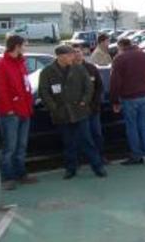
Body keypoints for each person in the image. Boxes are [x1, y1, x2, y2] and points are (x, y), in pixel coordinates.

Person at [39, 45, 106, 179]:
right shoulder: (47, 72)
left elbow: (89, 86)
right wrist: (54, 108)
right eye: (70, 55)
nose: (73, 57)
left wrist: (84, 101)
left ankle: (98, 167)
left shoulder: (79, 68)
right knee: (69, 143)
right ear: (61, 56)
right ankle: (71, 169)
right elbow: (44, 92)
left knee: (87, 141)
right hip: (62, 114)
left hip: (80, 112)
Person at [0, 35, 36, 190]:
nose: (26, 46)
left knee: (21, 146)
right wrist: (8, 109)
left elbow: (26, 86)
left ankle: (21, 173)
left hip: (24, 111)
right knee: (10, 147)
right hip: (10, 114)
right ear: (17, 46)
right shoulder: (1, 66)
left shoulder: (21, 63)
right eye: (24, 44)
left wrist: (29, 104)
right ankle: (7, 177)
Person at [110, 38, 145, 165]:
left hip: (129, 97)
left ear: (120, 46)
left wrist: (115, 101)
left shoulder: (119, 59)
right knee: (144, 125)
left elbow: (114, 82)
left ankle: (136, 155)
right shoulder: (144, 56)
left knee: (132, 127)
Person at [73, 46, 105, 163]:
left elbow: (99, 87)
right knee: (81, 136)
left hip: (93, 109)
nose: (77, 54)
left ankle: (100, 157)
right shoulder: (69, 69)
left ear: (82, 53)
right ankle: (83, 159)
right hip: (78, 111)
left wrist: (95, 103)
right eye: (74, 52)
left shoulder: (91, 68)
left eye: (78, 51)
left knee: (96, 134)